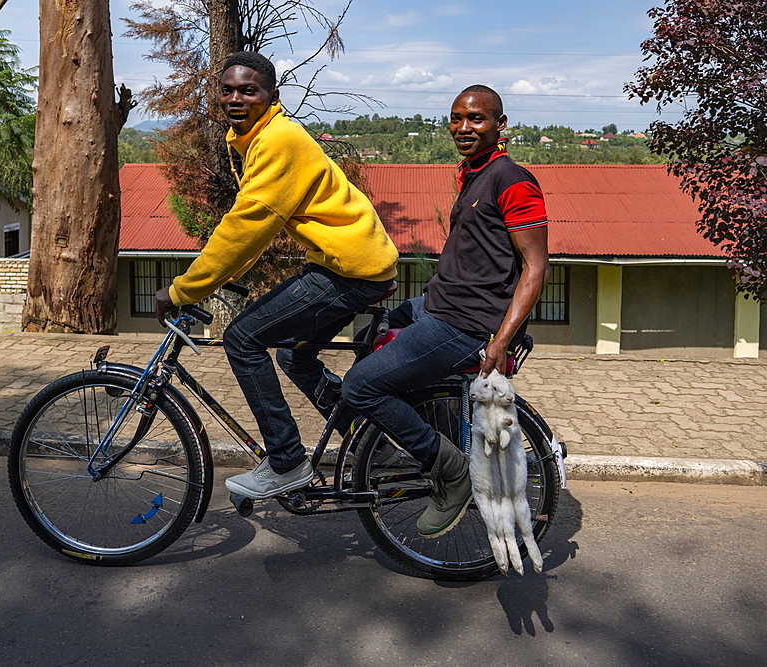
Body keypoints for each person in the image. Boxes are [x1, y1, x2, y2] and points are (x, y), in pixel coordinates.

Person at [154, 52, 399, 500]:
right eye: (227, 89)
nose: (235, 98)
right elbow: (254, 227)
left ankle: (286, 461)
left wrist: (182, 290)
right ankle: (365, 437)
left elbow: (246, 225)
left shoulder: (278, 139)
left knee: (243, 339)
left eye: (248, 90)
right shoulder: (252, 137)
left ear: (272, 97)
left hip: (350, 269)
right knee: (291, 353)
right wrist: (225, 277)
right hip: (348, 262)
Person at [342, 84, 550, 539]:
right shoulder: (472, 174)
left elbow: (536, 268)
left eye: (476, 118)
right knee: (375, 329)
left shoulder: (512, 180)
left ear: (500, 124)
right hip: (437, 304)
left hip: (465, 323)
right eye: (456, 118)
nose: (463, 127)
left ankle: (450, 470)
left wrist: (500, 340)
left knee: (359, 387)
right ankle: (388, 432)